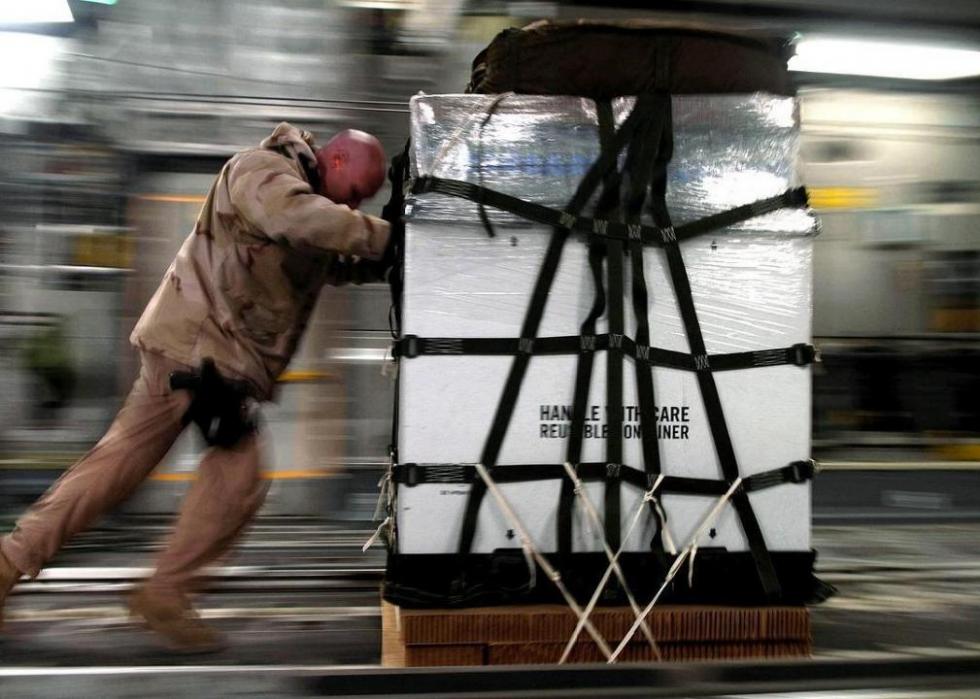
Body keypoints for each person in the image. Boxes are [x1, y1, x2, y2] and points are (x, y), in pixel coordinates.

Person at [0, 122, 391, 652]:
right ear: (337, 161)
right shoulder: (264, 171)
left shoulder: (305, 202)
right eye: (358, 192)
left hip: (193, 349)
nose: (356, 204)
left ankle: (10, 564)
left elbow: (329, 259)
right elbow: (301, 220)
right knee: (237, 478)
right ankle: (165, 594)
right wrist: (386, 236)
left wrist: (389, 260)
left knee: (113, 468)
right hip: (205, 355)